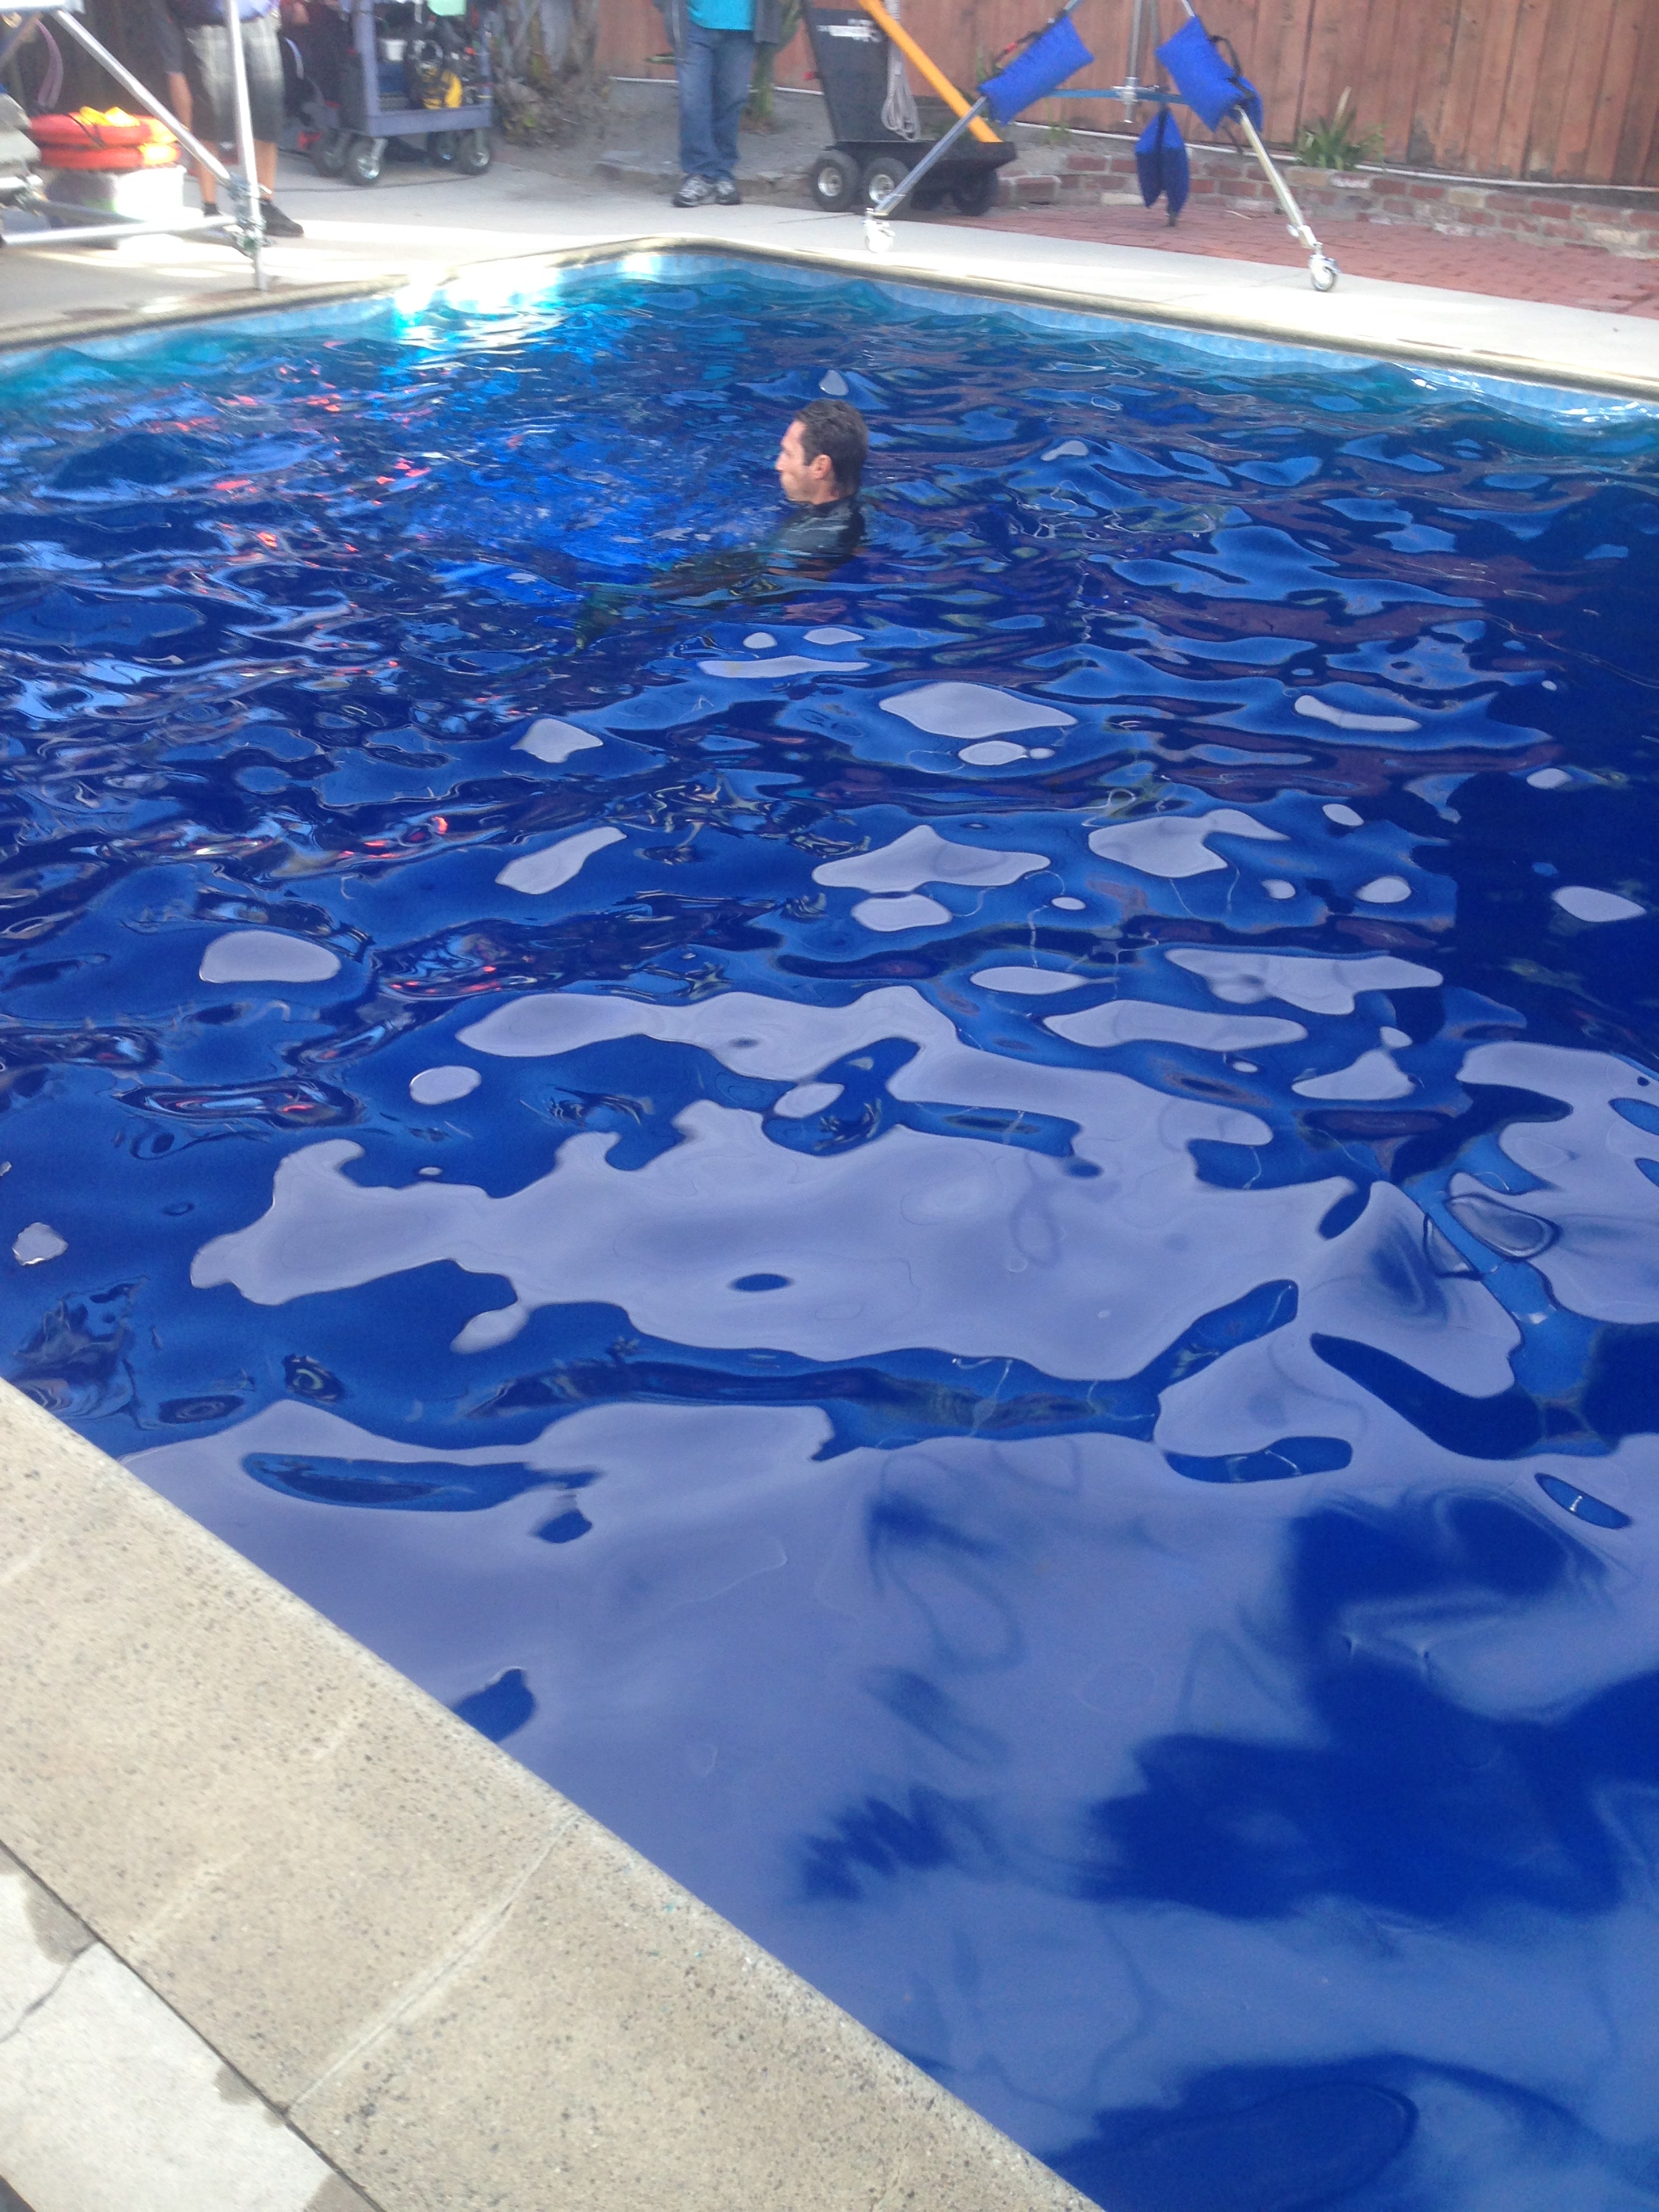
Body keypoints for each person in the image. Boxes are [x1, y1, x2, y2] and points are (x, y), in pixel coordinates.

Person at [573, 400, 869, 648]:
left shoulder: (813, 540)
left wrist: (657, 605)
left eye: (788, 454)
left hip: (721, 601)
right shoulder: (851, 513)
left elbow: (758, 595)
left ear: (820, 467)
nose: (778, 465)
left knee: (607, 599)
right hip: (741, 570)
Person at [163, 0, 304, 237]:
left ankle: (264, 205)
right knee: (210, 116)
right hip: (206, 19)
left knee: (268, 114)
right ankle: (210, 210)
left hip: (257, 16)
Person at [656, 0, 783, 209]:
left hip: (742, 28)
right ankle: (699, 174)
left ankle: (723, 174)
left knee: (732, 100)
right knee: (693, 100)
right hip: (693, 26)